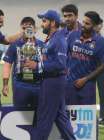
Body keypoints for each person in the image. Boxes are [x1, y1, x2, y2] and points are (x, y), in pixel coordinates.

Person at [24, 9, 76, 140]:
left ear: (53, 23)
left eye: (44, 21)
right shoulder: (51, 39)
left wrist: (36, 66)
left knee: (44, 118)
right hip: (50, 81)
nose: (42, 24)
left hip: (53, 82)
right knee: (61, 118)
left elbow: (60, 64)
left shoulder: (59, 40)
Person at [65, 11, 104, 105]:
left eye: (87, 24)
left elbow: (103, 64)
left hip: (87, 85)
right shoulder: (73, 35)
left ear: (94, 26)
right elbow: (65, 53)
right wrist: (65, 69)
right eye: (83, 22)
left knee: (86, 118)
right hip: (70, 83)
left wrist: (86, 79)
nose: (83, 25)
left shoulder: (100, 42)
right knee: (69, 116)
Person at [2, 17, 44, 107]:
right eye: (24, 28)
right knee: (19, 115)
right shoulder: (15, 45)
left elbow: (46, 64)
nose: (26, 30)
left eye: (29, 28)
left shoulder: (41, 45)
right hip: (20, 85)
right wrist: (5, 84)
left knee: (38, 114)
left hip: (38, 85)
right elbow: (7, 65)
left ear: (35, 29)